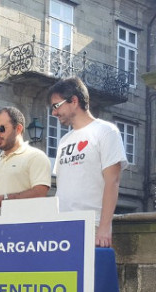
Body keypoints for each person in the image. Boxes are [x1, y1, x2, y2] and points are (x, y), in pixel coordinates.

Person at [48, 77, 128, 247]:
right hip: (61, 227)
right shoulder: (64, 140)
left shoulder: (106, 132)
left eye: (56, 106)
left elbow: (112, 181)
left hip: (92, 225)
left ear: (74, 101)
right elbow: (62, 188)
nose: (54, 113)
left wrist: (104, 227)